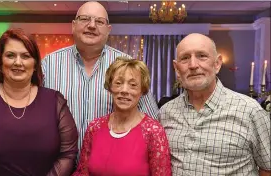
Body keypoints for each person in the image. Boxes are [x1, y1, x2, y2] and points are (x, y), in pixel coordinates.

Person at [0, 28, 78, 176]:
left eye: (25, 56)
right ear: (0, 62)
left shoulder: (55, 101)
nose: (18, 62)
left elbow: (68, 153)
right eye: (10, 55)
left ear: (35, 63)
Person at [42, 1, 158, 151]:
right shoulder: (49, 64)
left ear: (108, 30)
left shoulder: (128, 66)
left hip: (111, 164)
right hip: (58, 164)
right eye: (84, 19)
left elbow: (151, 120)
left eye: (99, 21)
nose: (91, 25)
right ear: (73, 25)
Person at [160, 33, 271, 175]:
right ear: (176, 68)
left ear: (217, 63)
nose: (193, 65)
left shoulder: (250, 111)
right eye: (185, 58)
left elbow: (267, 169)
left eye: (202, 56)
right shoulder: (165, 113)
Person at [73, 57, 171, 176]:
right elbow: (83, 173)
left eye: (133, 85)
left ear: (142, 90)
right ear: (110, 87)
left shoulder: (154, 131)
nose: (124, 90)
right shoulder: (95, 127)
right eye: (118, 83)